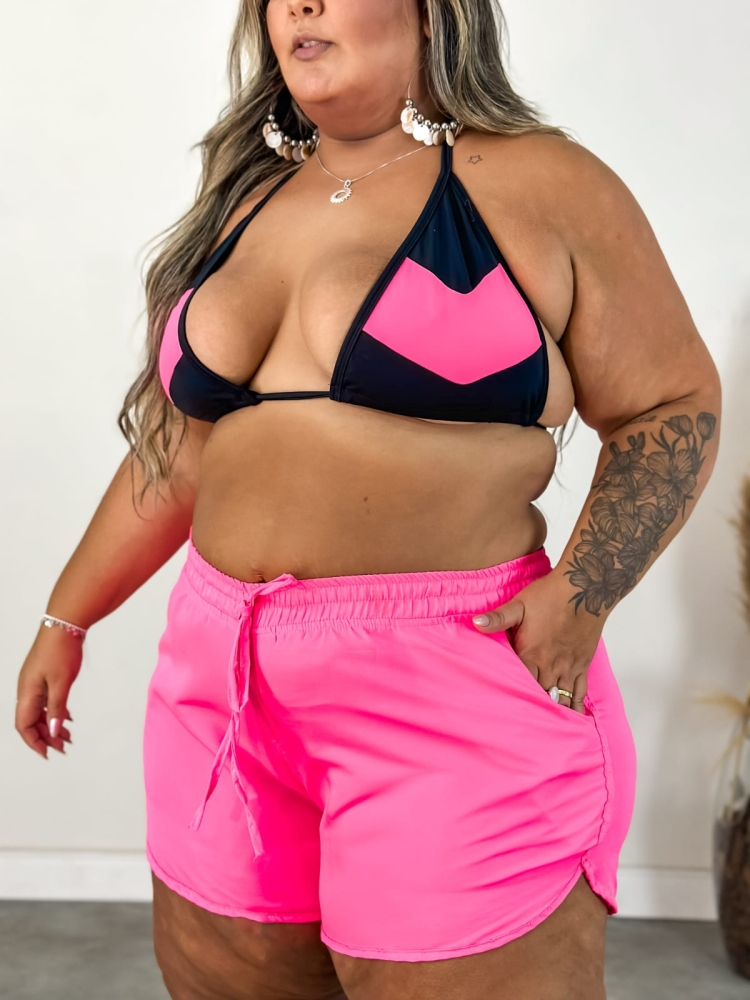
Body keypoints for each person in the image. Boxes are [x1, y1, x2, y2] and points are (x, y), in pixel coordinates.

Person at [16, 1, 721, 998]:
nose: (297, 6)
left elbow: (670, 403)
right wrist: (68, 614)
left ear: (432, 14)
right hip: (221, 684)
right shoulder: (248, 196)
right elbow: (180, 448)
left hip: (449, 685)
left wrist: (584, 591)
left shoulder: (540, 181)